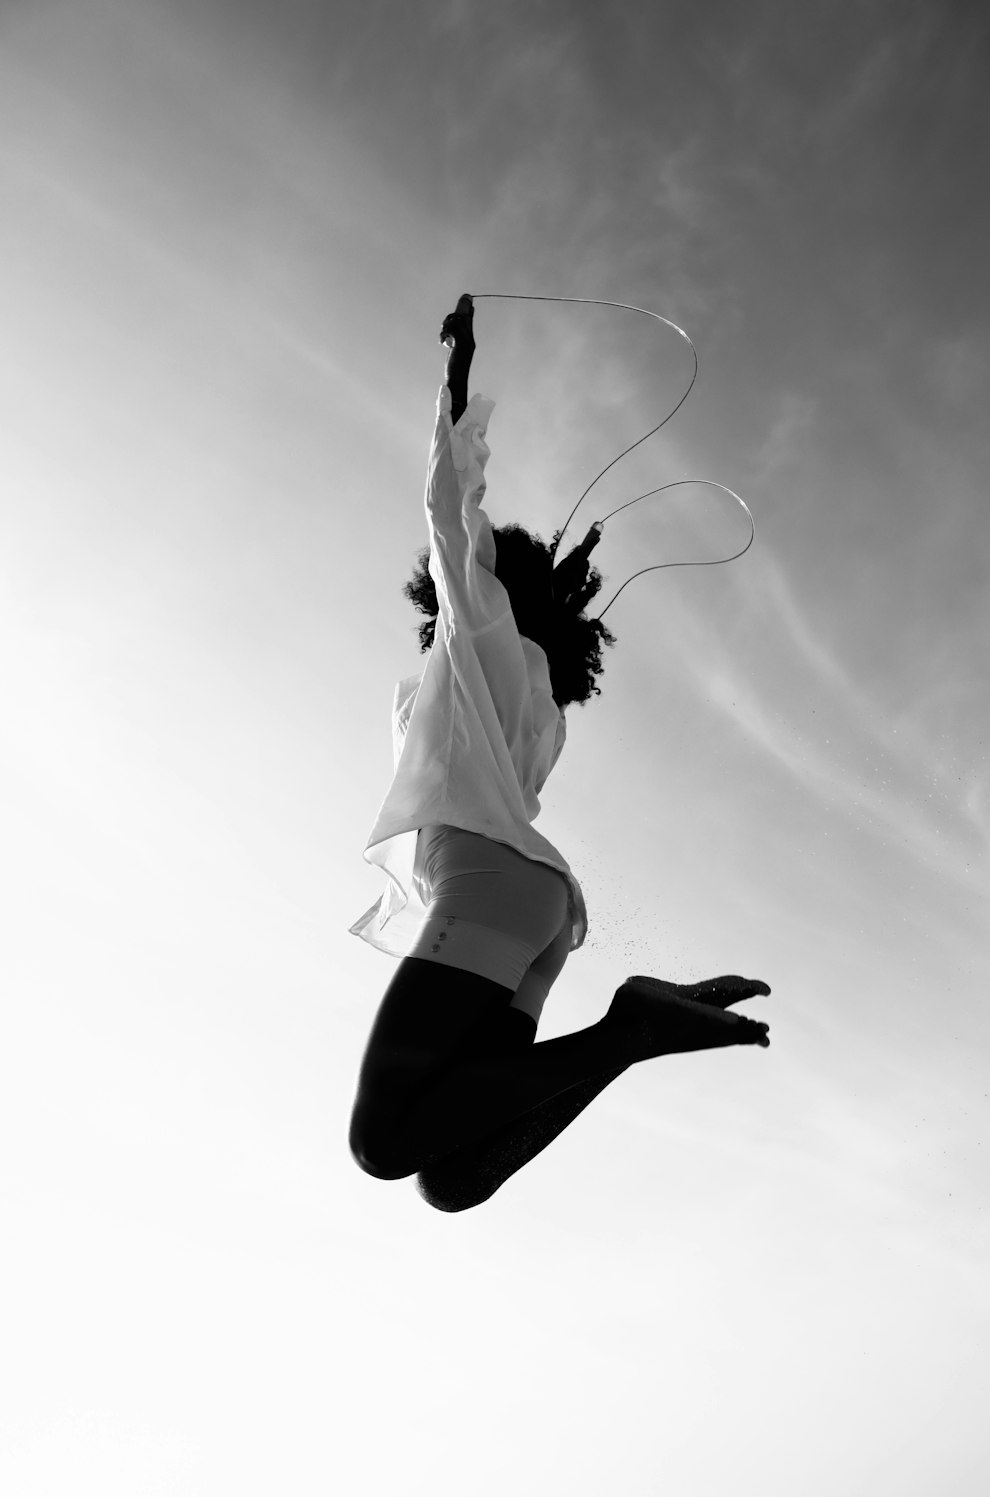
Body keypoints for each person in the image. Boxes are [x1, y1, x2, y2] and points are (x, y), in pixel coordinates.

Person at [347, 294, 771, 1212]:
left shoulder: (477, 636)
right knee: (450, 1175)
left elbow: (448, 508)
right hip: (532, 910)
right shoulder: (541, 700)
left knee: (383, 1145)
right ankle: (625, 1035)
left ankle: (628, 1030)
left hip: (495, 892)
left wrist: (455, 378)